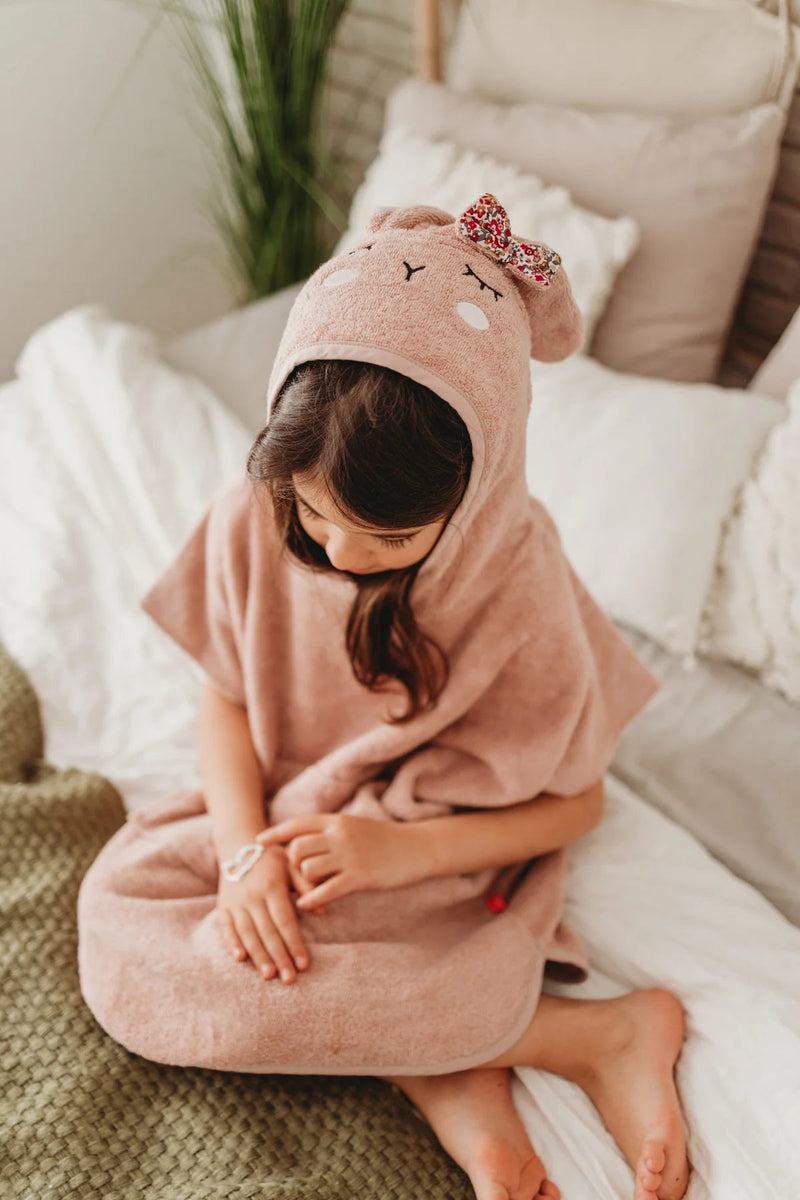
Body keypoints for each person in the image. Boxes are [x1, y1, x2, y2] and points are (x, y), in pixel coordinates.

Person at [77, 193, 690, 1200]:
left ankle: (597, 1033)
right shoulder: (260, 509)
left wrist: (399, 853)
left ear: (475, 487)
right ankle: (451, 1061)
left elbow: (577, 803)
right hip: (289, 827)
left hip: (434, 853)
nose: (340, 554)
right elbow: (226, 700)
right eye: (315, 516)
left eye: (390, 538)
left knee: (357, 943)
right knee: (122, 929)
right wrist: (241, 859)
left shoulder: (517, 583)